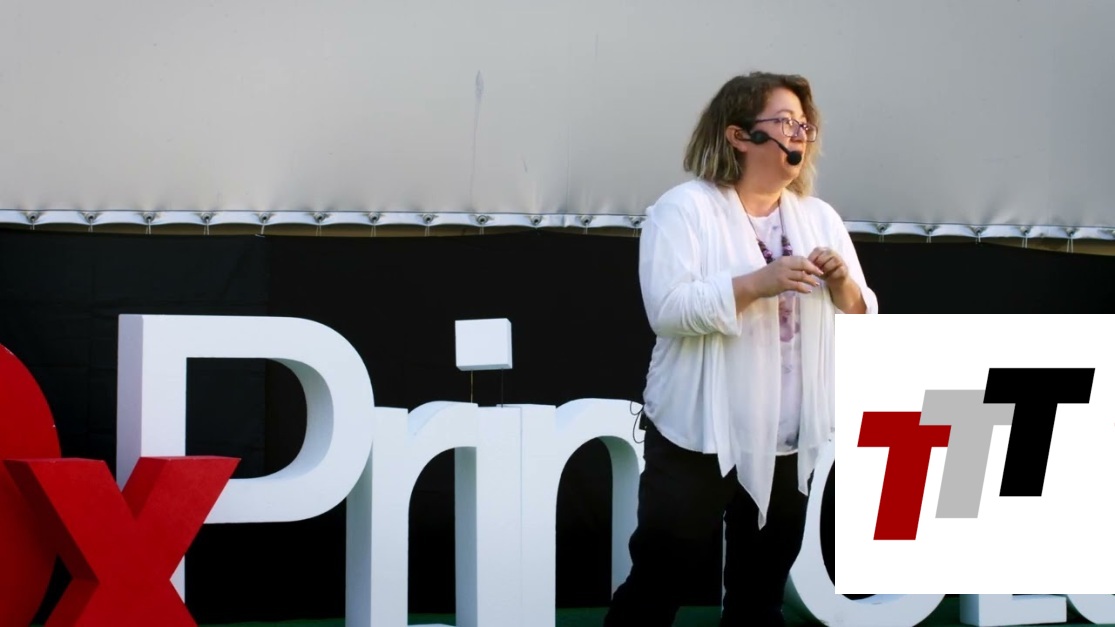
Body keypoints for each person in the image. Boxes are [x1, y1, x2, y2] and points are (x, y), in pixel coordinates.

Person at [604, 71, 879, 627]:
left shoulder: (819, 217)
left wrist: (842, 283)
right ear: (739, 135)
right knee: (659, 582)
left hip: (785, 439)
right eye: (785, 121)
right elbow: (667, 310)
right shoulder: (683, 209)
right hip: (698, 434)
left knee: (760, 595)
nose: (799, 133)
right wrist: (758, 282)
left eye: (805, 124)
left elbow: (862, 316)